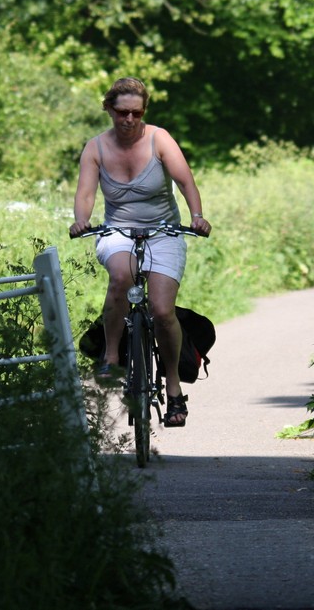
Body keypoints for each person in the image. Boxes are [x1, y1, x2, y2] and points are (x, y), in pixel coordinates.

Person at [69, 77, 211, 428]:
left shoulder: (159, 139)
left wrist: (196, 216)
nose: (129, 119)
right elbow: (85, 193)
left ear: (144, 111)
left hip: (164, 232)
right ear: (109, 109)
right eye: (122, 112)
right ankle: (111, 356)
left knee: (162, 310)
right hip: (117, 231)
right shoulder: (96, 148)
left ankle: (174, 387)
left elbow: (185, 181)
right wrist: (81, 220)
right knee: (121, 276)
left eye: (136, 113)